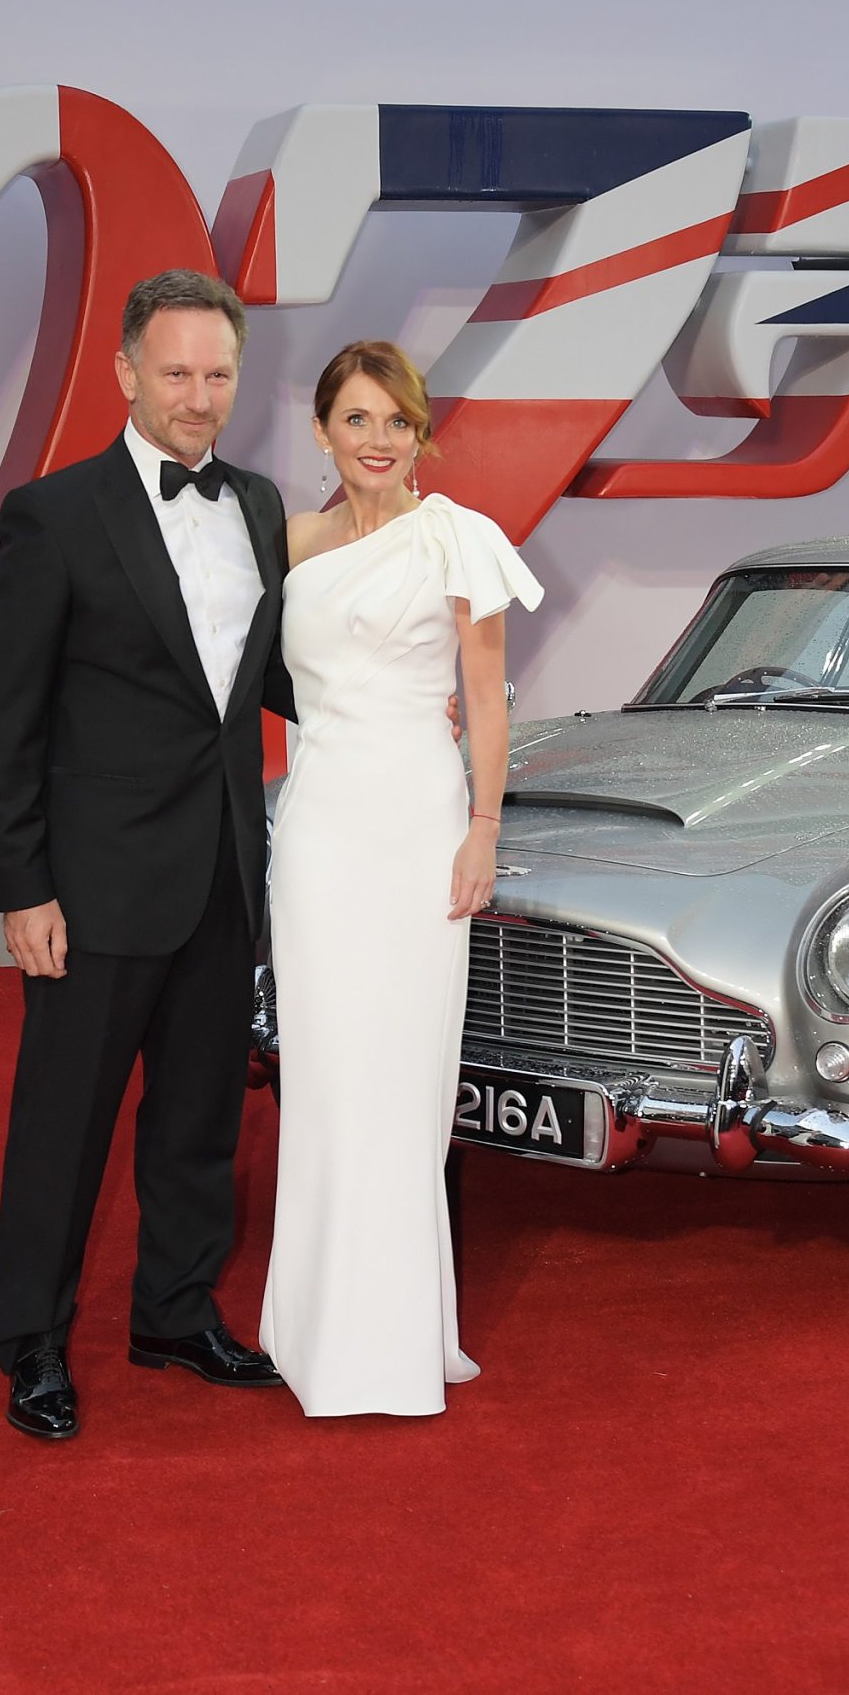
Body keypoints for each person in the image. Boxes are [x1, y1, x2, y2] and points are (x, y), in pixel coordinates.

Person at [0, 269, 292, 1440]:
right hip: (93, 884)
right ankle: (33, 1345)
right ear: (126, 374)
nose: (198, 398)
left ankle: (173, 1308)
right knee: (64, 1124)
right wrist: (22, 885)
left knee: (201, 1115)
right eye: (176, 374)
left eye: (217, 375)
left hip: (221, 866)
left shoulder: (258, 505)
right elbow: (3, 720)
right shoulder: (54, 514)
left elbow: (266, 679)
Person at [259, 340, 542, 1417]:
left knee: (403, 1080)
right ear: (324, 430)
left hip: (423, 828)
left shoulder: (460, 541)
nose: (377, 441)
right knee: (326, 1076)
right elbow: (271, 677)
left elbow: (487, 698)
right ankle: (312, 1329)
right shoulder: (290, 542)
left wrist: (481, 828)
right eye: (356, 420)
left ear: (420, 434)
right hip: (322, 831)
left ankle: (393, 1341)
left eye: (396, 422)